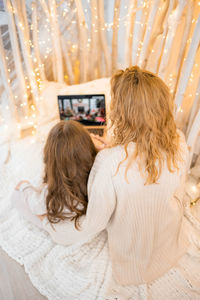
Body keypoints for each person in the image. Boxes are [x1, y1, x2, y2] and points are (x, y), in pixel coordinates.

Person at [13, 66, 200, 299]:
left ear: (123, 114)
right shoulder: (179, 142)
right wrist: (115, 151)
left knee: (26, 201)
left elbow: (92, 224)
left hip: (133, 266)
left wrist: (49, 225)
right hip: (171, 247)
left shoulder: (108, 164)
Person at [12, 120, 97, 232]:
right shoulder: (95, 175)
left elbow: (35, 205)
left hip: (61, 227)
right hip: (81, 216)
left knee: (16, 197)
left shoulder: (50, 194)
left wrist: (24, 186)